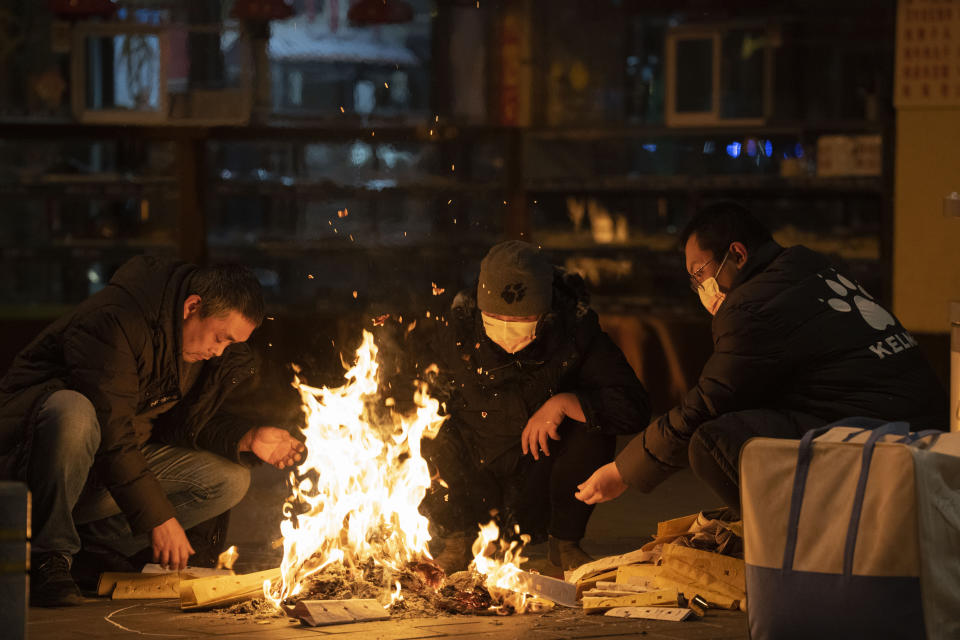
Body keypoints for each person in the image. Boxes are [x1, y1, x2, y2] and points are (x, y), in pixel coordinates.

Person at [575, 202, 948, 512]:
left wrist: (622, 471)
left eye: (700, 272)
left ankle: (790, 547)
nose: (700, 288)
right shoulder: (807, 266)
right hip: (920, 424)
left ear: (737, 254)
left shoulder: (752, 307)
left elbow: (708, 402)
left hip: (883, 439)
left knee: (712, 440)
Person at [0, 256, 304, 607]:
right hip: (27, 468)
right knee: (74, 411)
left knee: (229, 479)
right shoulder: (116, 320)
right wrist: (158, 517)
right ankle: (48, 557)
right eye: (221, 338)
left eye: (230, 345)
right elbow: (113, 430)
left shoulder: (190, 347)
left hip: (100, 475)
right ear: (193, 306)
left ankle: (89, 550)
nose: (219, 351)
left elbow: (175, 425)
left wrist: (245, 437)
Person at [413, 240, 650, 572]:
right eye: (495, 316)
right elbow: (408, 398)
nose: (507, 328)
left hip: (540, 479)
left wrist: (566, 403)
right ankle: (457, 541)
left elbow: (633, 407)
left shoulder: (575, 333)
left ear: (546, 310)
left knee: (592, 422)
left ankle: (565, 543)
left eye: (522, 318)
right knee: (420, 427)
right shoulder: (457, 331)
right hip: (474, 480)